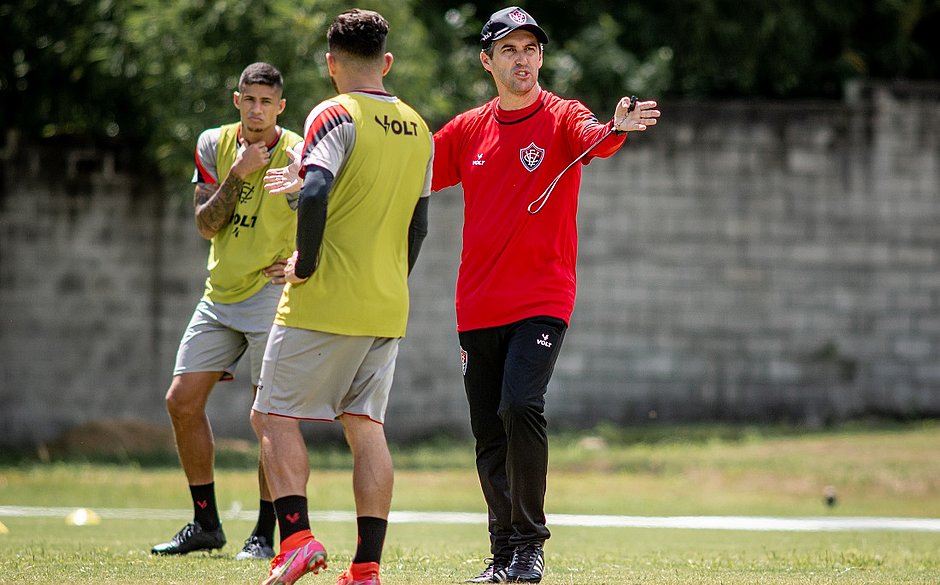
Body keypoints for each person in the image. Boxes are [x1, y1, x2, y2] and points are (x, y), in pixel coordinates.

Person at [431, 7, 660, 584]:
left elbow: (596, 139)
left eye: (531, 48)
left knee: (519, 407)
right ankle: (503, 551)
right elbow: (412, 173)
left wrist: (618, 127)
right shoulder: (466, 130)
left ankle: (529, 546)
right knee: (488, 431)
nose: (523, 59)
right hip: (476, 304)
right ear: (487, 62)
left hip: (542, 298)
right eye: (509, 50)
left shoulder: (562, 116)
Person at [250, 9, 433, 585]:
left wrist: (307, 262)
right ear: (387, 62)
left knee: (271, 416)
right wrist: (392, 281)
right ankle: (367, 568)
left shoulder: (333, 112)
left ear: (330, 64)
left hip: (326, 299)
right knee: (365, 426)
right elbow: (419, 226)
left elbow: (318, 187)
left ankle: (297, 540)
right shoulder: (419, 127)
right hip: (387, 304)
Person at [151, 62, 304, 561]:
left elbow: (327, 208)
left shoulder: (298, 150)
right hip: (219, 295)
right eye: (249, 99)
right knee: (181, 401)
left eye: (267, 102)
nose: (257, 109)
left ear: (280, 107)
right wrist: (239, 174)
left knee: (268, 419)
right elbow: (205, 225)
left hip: (269, 296)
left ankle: (264, 532)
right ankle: (205, 523)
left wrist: (303, 259)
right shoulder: (214, 144)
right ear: (236, 100)